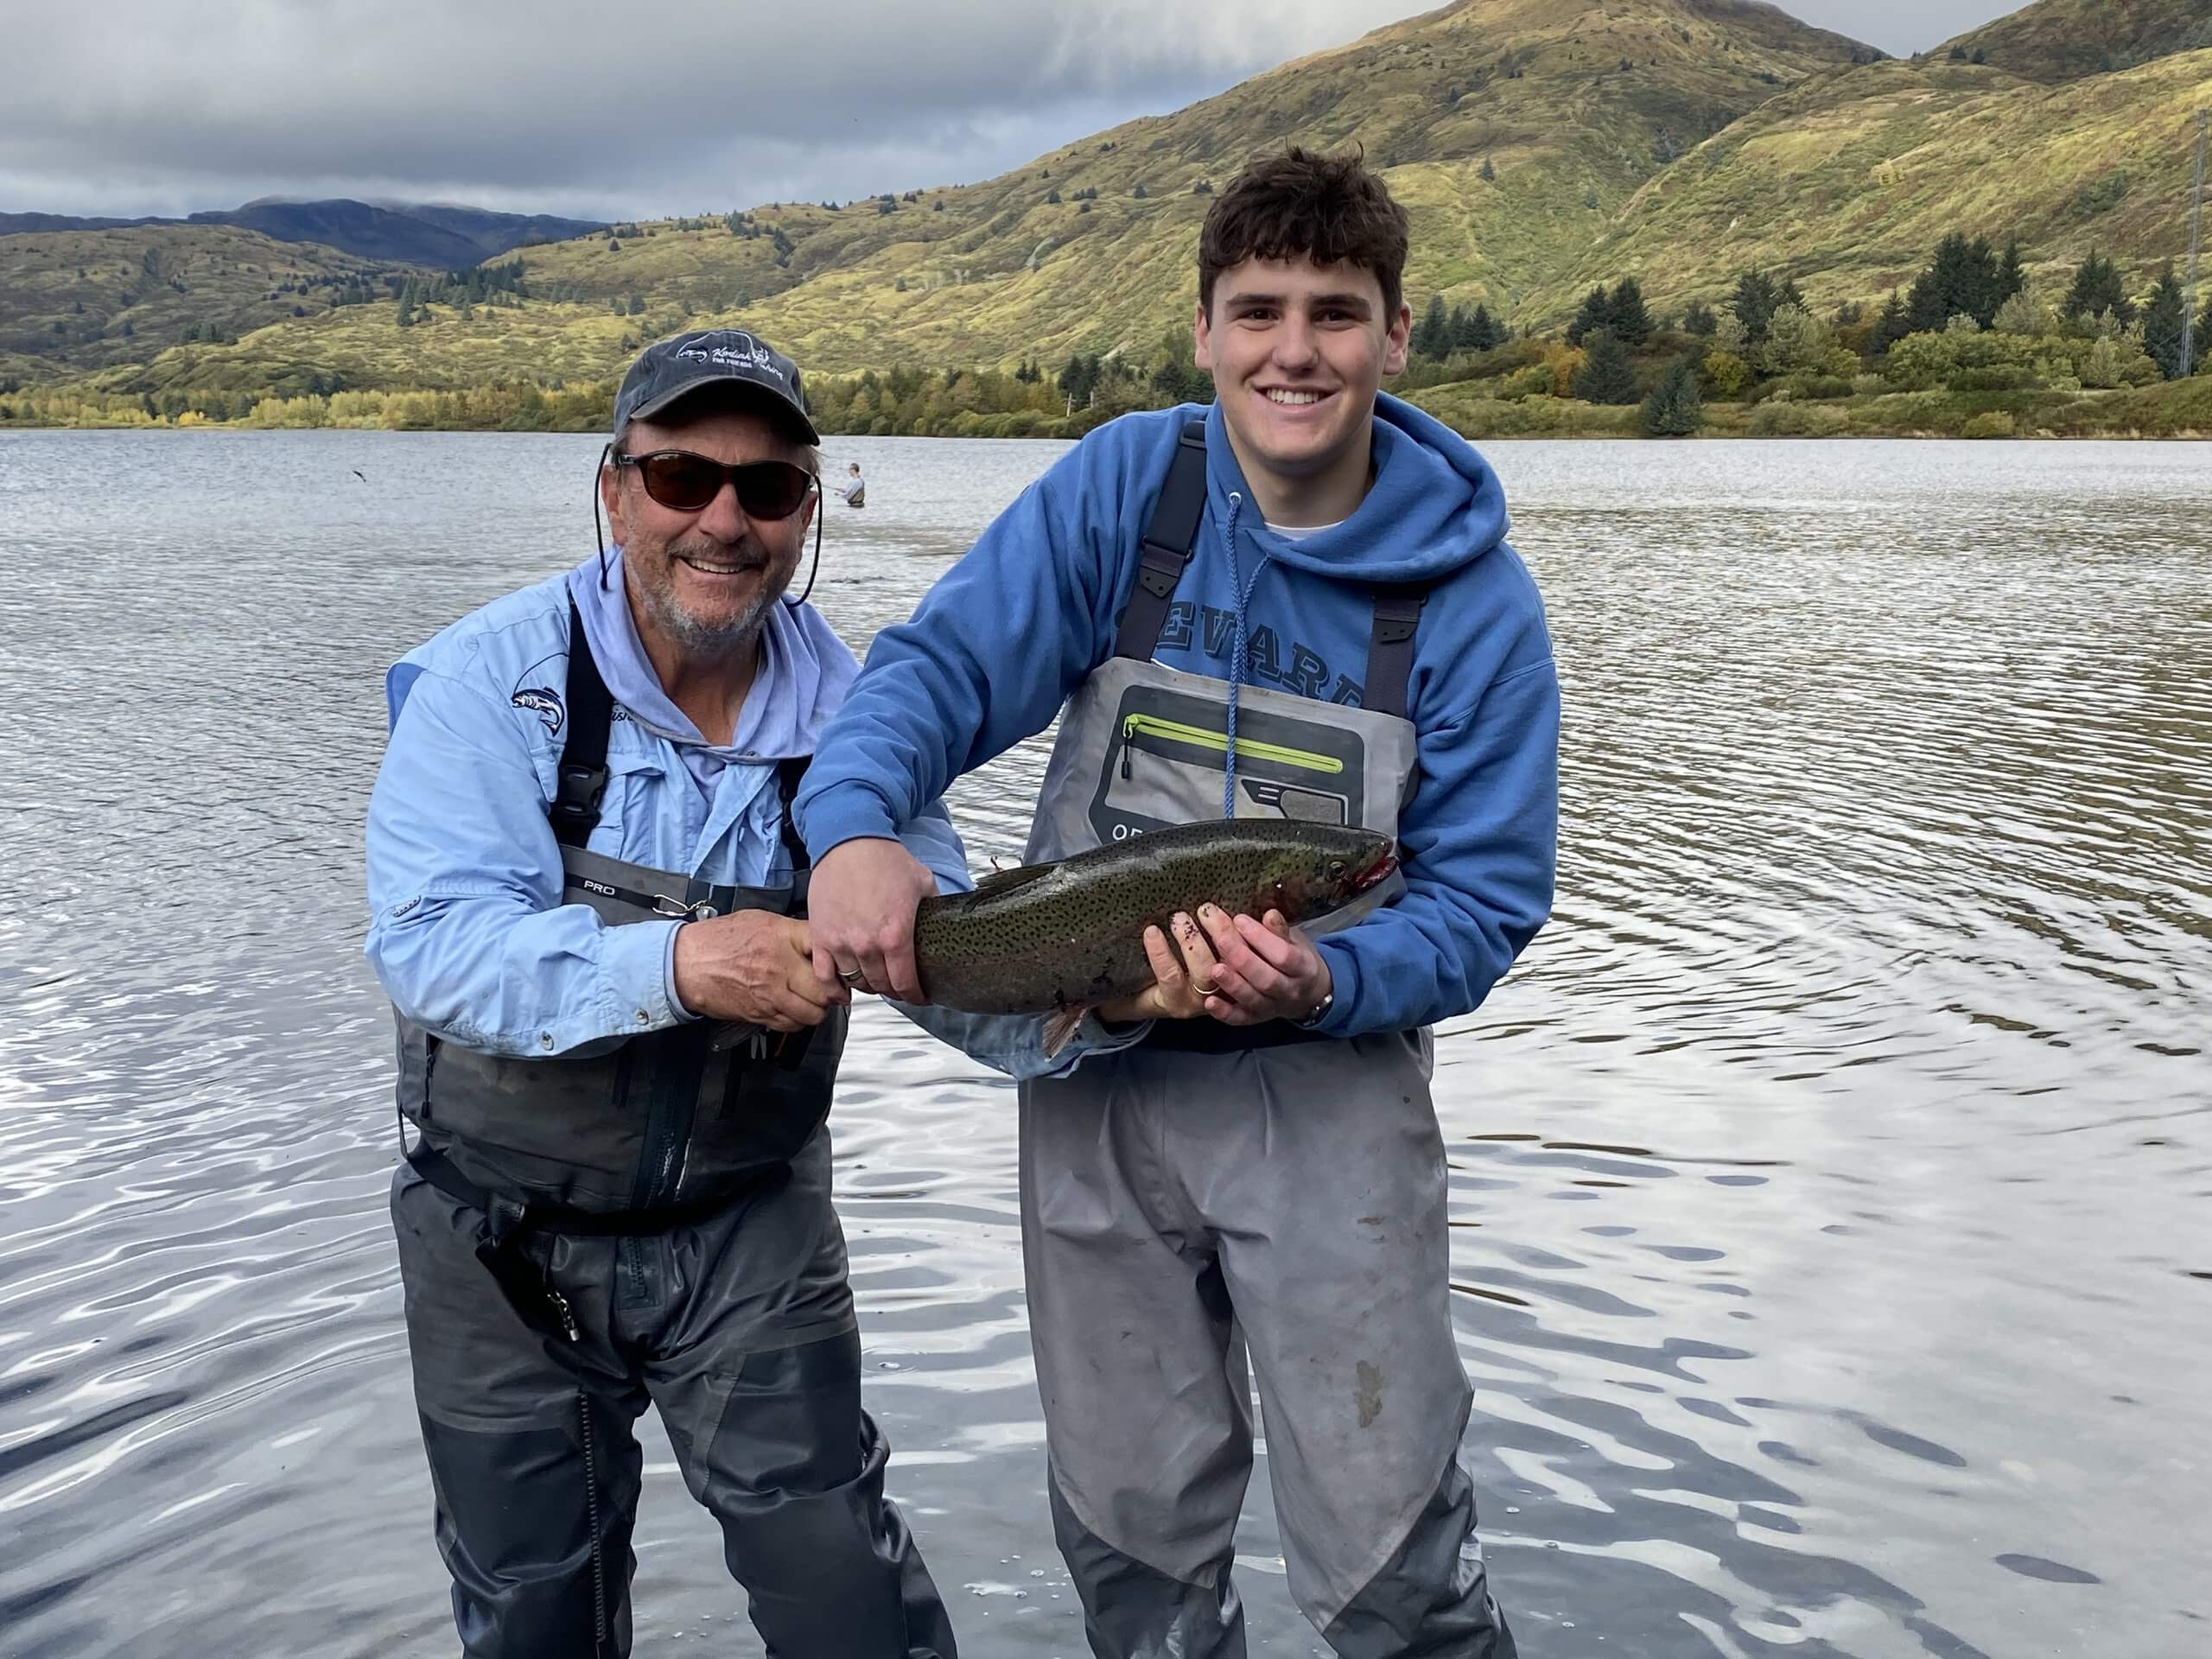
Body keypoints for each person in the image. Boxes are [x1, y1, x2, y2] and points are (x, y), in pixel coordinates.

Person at [798, 148, 1557, 1657]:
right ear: (1205, 329)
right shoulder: (1129, 491)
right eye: (1258, 311)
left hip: (1330, 1108)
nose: (1295, 352)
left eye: (1336, 314)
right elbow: (940, 672)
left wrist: (1330, 982)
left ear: (1397, 336)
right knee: (1129, 1548)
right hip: (1093, 1085)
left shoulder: (1479, 608)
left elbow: (1484, 900)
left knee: (1397, 1569)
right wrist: (851, 828)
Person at [364, 327, 974, 1658]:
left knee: (846, 1596)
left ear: (808, 507)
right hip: (495, 1240)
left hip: (754, 1225)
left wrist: (1119, 1001)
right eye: (683, 476)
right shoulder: (488, 681)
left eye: (768, 487)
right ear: (614, 487)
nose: (724, 521)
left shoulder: (868, 717)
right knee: (535, 1612)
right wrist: (686, 966)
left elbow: (955, 954)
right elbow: (432, 945)